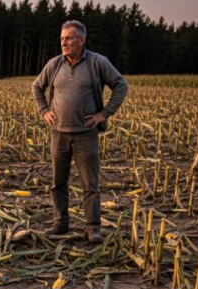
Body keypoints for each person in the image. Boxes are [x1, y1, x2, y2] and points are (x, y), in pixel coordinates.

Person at [32, 20, 128, 242]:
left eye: (69, 38)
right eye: (62, 38)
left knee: (90, 184)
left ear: (81, 40)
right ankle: (61, 223)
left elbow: (121, 85)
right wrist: (44, 110)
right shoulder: (54, 64)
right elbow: (37, 86)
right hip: (59, 134)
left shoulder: (97, 63)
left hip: (86, 134)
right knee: (58, 183)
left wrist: (104, 114)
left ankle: (92, 228)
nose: (64, 43)